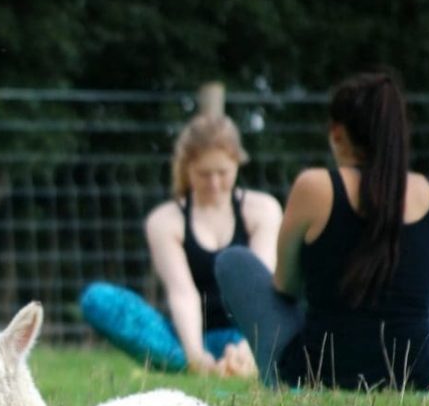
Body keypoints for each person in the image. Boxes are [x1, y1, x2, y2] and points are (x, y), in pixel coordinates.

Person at [214, 69, 429, 390]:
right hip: (418, 375)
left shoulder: (315, 187)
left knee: (233, 261)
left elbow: (286, 286)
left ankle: (279, 381)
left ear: (336, 133)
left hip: (318, 374)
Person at [80, 113, 282, 376]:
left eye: (223, 172)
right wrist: (197, 355)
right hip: (190, 337)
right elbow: (183, 294)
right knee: (98, 299)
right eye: (204, 174)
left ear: (237, 163)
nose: (214, 183)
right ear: (187, 168)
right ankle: (188, 364)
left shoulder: (263, 210)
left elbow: (259, 288)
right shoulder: (164, 221)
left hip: (254, 333)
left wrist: (248, 347)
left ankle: (253, 360)